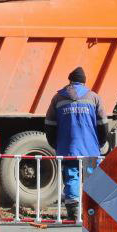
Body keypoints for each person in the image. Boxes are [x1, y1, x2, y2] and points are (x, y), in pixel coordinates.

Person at [44, 67, 106, 221]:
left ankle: (74, 211)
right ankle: (92, 211)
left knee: (71, 176)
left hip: (68, 147)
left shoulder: (58, 98)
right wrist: (101, 142)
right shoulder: (93, 97)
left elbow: (50, 124)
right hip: (90, 148)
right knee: (92, 177)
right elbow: (103, 124)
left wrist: (55, 144)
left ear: (70, 80)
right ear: (84, 82)